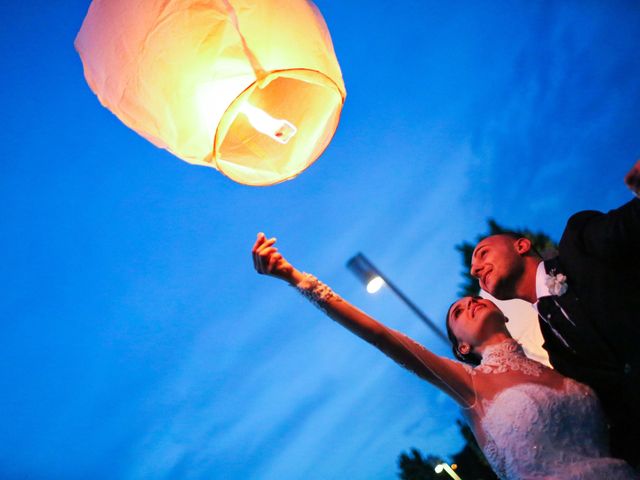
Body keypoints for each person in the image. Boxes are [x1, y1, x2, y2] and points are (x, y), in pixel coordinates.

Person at [252, 234, 638, 479]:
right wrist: (296, 278)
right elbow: (382, 337)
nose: (468, 304)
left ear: (501, 311)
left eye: (471, 300)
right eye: (457, 313)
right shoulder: (471, 385)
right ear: (461, 347)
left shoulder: (562, 357)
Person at [469, 160, 640, 467]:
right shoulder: (556, 353)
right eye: (473, 270)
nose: (475, 269)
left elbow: (629, 224)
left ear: (522, 245)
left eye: (482, 253)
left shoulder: (579, 242)